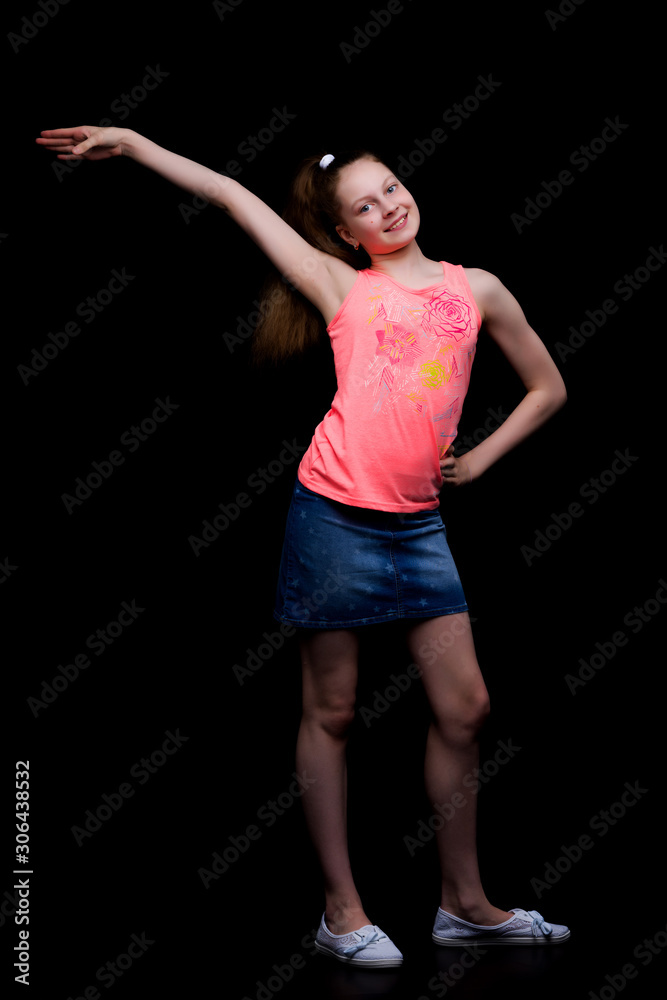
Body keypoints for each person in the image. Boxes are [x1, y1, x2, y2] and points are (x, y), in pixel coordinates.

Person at [36, 126, 571, 966]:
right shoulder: (337, 285)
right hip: (334, 519)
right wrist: (136, 144)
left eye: (390, 187)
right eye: (364, 205)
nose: (387, 206)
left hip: (419, 525)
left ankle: (463, 904)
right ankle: (340, 911)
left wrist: (478, 459)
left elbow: (548, 386)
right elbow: (229, 195)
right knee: (331, 710)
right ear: (345, 232)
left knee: (465, 710)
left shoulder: (479, 289)